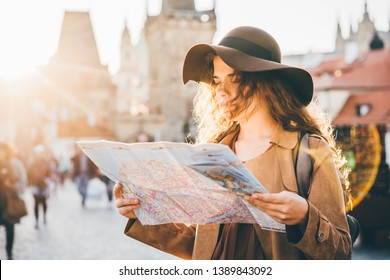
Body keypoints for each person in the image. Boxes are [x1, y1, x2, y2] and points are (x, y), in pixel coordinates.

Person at [113, 26, 352, 259]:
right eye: (216, 81)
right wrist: (142, 213)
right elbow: (201, 246)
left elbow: (341, 250)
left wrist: (304, 217)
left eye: (235, 79)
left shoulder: (308, 151)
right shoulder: (212, 153)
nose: (221, 92)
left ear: (267, 83)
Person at [0, 141, 24, 259]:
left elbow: (16, 179)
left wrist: (9, 180)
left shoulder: (10, 164)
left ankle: (9, 252)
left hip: (7, 199)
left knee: (10, 226)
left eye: (2, 150)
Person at [28, 145, 52, 229]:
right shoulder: (33, 163)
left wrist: (47, 179)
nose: (40, 155)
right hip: (35, 185)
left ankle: (44, 216)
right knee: (36, 203)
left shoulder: (46, 162)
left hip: (44, 185)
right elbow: (29, 173)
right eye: (38, 153)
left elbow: (49, 173)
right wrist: (31, 182)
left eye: (41, 153)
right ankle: (37, 220)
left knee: (44, 202)